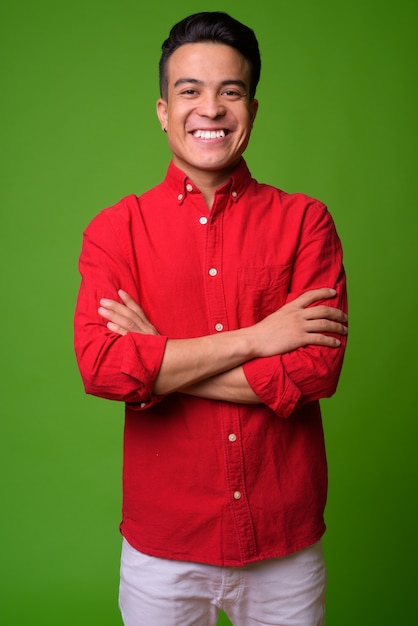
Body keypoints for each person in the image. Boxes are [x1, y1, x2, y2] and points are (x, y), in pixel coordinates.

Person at [74, 11, 348, 626]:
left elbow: (313, 372)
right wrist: (258, 339)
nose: (211, 108)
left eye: (231, 91)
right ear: (164, 110)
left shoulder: (307, 222)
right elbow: (103, 369)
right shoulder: (115, 232)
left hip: (284, 542)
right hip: (162, 546)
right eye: (189, 91)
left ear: (252, 106)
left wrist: (160, 362)